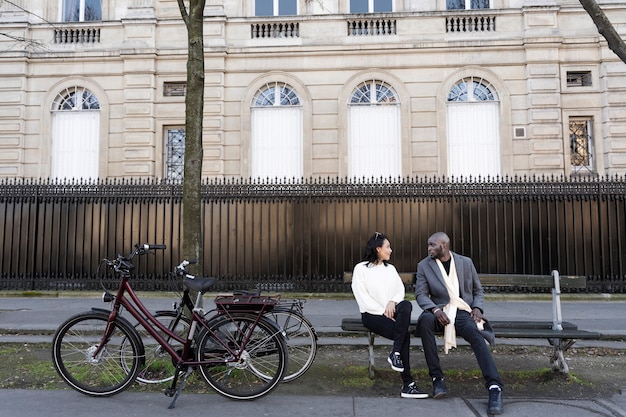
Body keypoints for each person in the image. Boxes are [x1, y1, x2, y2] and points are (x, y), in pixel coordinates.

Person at [415, 232, 504, 414]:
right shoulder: (424, 265)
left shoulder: (465, 262)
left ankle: (495, 387)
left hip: (463, 311)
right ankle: (437, 379)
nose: (429, 249)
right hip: (439, 311)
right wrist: (435, 310)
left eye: (432, 245)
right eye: (428, 245)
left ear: (444, 246)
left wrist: (478, 308)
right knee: (424, 321)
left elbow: (478, 291)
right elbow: (421, 295)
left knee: (476, 336)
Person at [351, 232, 428, 399]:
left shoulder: (390, 269)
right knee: (404, 337)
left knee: (406, 305)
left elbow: (399, 290)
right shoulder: (361, 269)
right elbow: (363, 298)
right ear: (378, 249)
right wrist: (384, 312)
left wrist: (392, 303)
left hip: (392, 313)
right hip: (372, 315)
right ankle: (408, 384)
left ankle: (395, 354)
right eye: (387, 247)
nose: (390, 250)